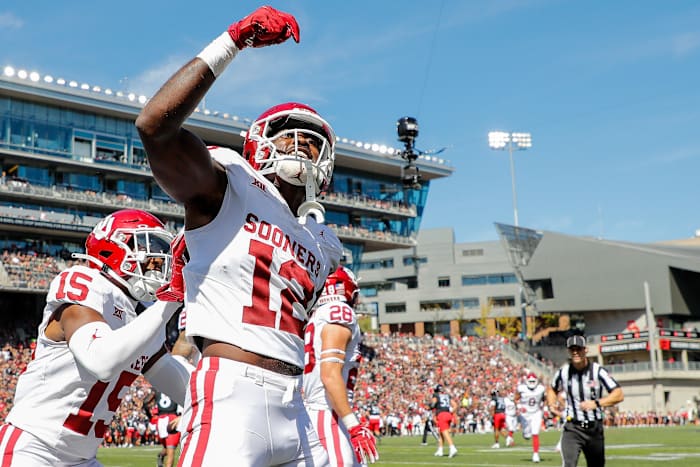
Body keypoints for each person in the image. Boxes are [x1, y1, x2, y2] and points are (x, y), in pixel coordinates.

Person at [136, 5, 343, 466]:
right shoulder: (232, 181)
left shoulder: (316, 239)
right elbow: (154, 127)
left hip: (296, 403)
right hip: (232, 393)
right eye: (291, 136)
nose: (304, 147)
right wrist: (232, 41)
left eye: (313, 141)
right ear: (259, 142)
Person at [0, 209, 193, 466]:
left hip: (83, 458)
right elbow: (101, 360)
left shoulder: (141, 316)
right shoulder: (86, 285)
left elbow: (187, 388)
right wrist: (170, 301)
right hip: (34, 449)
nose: (160, 261)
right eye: (151, 248)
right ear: (113, 249)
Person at [303, 266, 378, 466]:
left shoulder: (315, 316)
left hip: (322, 412)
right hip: (328, 413)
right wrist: (354, 426)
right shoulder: (339, 311)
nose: (357, 299)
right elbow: (329, 374)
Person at [546, 335, 624, 467]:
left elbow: (618, 394)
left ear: (586, 350)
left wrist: (596, 403)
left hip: (594, 428)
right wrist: (552, 403)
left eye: (579, 349)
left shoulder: (598, 371)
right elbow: (552, 389)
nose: (576, 352)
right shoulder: (563, 372)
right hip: (572, 428)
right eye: (572, 350)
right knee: (569, 464)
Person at [516, 372, 546, 463]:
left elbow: (544, 399)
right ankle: (525, 433)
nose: (532, 383)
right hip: (525, 414)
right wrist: (520, 407)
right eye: (530, 381)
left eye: (534, 381)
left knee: (535, 433)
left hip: (536, 412)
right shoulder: (521, 388)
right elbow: (516, 398)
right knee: (527, 435)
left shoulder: (541, 388)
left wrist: (543, 407)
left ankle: (536, 454)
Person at [430, 384, 458, 458]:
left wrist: (429, 406)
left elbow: (433, 404)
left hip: (441, 415)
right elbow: (455, 405)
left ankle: (452, 447)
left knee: (444, 432)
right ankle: (440, 450)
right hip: (448, 414)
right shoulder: (447, 395)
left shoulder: (435, 395)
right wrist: (450, 412)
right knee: (441, 433)